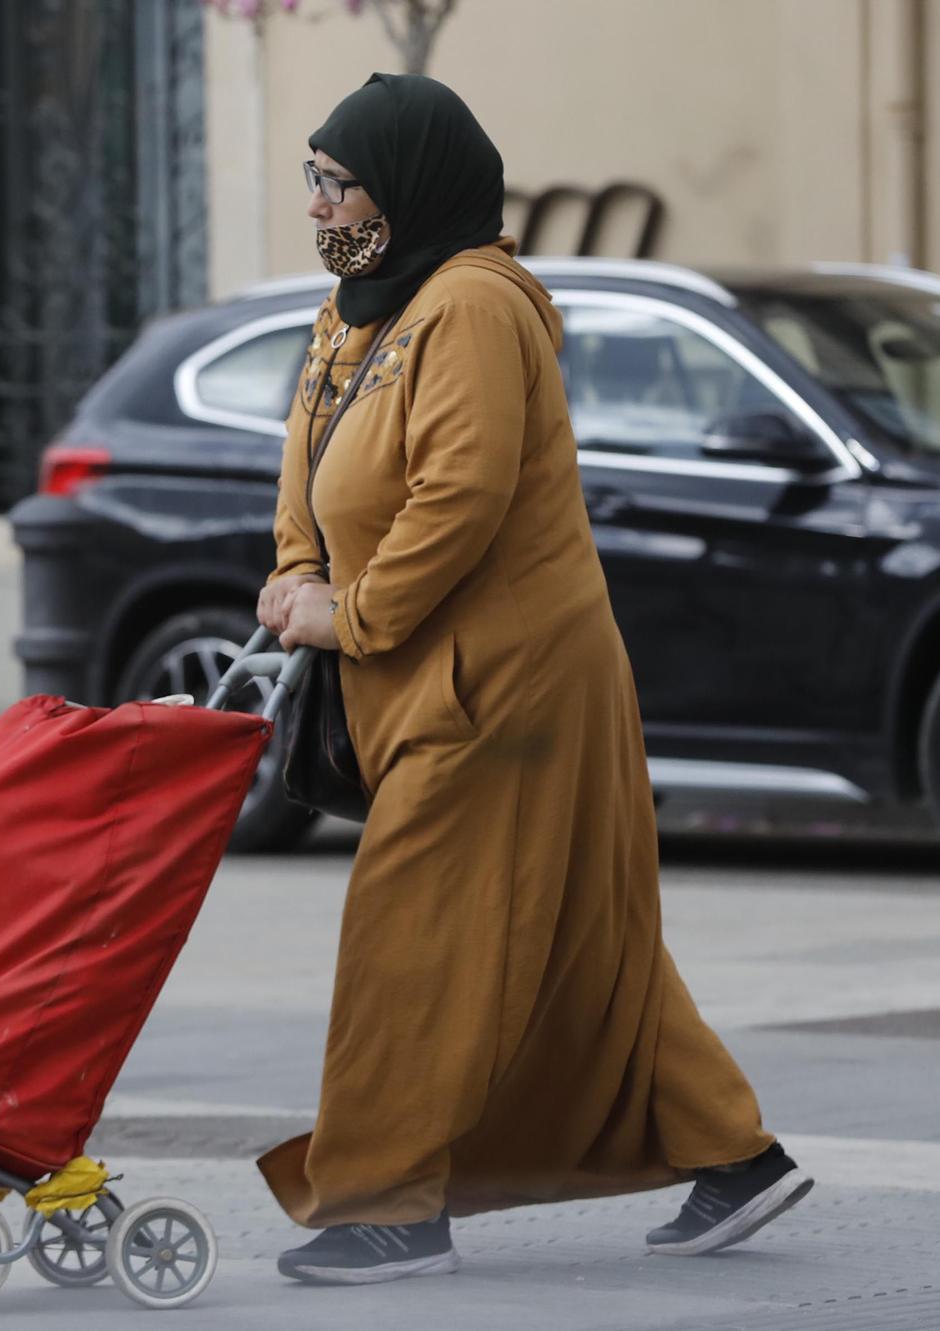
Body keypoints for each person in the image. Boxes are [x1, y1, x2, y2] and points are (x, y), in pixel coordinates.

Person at [253, 73, 812, 1285]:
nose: (314, 205)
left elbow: (458, 496)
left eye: (332, 181)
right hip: (410, 677)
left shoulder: (472, 307)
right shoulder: (353, 311)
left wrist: (344, 611)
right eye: (310, 179)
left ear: (401, 186)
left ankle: (387, 1199)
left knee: (408, 935)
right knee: (576, 934)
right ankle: (732, 1152)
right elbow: (309, 468)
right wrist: (295, 570)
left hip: (500, 685)